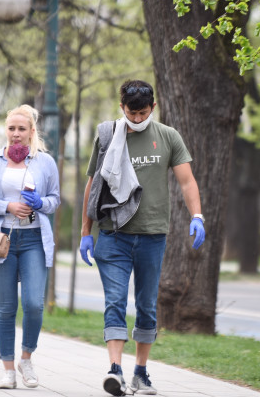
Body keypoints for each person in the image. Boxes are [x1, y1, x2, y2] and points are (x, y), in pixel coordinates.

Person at [79, 80, 206, 396]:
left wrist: (197, 216)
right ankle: (115, 371)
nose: (137, 119)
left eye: (143, 113)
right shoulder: (108, 137)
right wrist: (86, 233)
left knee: (148, 306)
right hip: (113, 234)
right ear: (122, 107)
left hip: (152, 236)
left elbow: (187, 181)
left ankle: (141, 373)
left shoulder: (167, 137)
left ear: (153, 108)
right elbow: (93, 186)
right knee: (115, 302)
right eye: (132, 113)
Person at [0, 104, 60, 390]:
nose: (16, 134)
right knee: (6, 306)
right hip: (1, 241)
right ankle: (8, 371)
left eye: (22, 129)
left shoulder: (45, 162)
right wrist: (7, 205)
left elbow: (54, 200)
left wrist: (40, 204)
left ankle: (26, 358)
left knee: (34, 304)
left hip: (34, 239)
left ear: (32, 132)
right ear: (6, 130)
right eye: (11, 128)